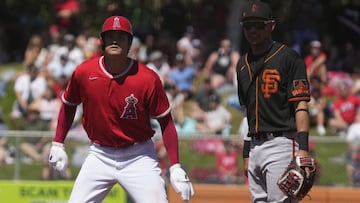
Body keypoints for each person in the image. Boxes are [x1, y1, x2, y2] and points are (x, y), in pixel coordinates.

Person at [48, 16, 194, 203]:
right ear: (102, 41)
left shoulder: (147, 78)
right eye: (110, 36)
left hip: (139, 156)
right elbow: (68, 106)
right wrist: (58, 143)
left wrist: (175, 166)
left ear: (130, 43)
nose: (115, 40)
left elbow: (166, 121)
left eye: (121, 36)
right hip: (100, 155)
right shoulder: (84, 72)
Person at [236, 1, 312, 202]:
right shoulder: (242, 65)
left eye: (259, 25)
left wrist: (303, 148)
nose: (253, 30)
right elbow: (247, 113)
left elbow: (301, 105)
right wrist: (246, 152)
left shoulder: (289, 58)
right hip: (254, 146)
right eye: (248, 25)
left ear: (271, 25)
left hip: (282, 143)